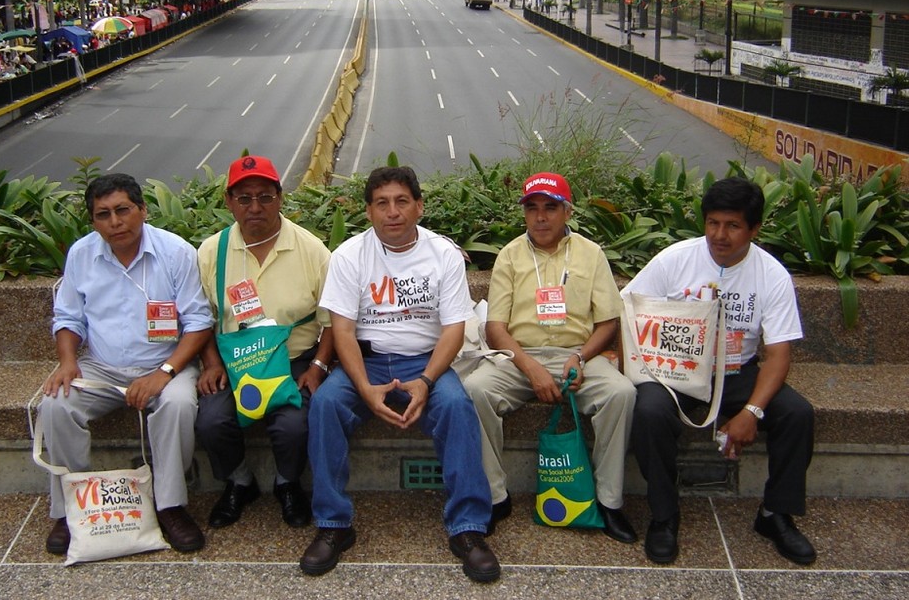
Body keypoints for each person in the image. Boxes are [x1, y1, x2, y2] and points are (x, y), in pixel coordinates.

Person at [300, 166, 500, 583]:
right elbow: (343, 331)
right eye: (382, 203)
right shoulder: (349, 255)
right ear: (369, 211)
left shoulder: (442, 254)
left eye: (402, 201)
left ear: (419, 206)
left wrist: (426, 382)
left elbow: (453, 329)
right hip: (365, 361)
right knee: (325, 404)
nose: (392, 212)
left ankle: (468, 528)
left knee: (458, 407)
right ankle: (334, 524)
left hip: (425, 361)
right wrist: (364, 389)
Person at [622, 176, 816, 566]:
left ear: (754, 228)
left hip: (738, 371)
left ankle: (775, 514)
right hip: (676, 369)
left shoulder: (771, 275)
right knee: (648, 410)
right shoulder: (675, 259)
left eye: (732, 225)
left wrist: (752, 412)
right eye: (713, 223)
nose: (719, 235)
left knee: (797, 414)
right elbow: (628, 306)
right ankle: (664, 514)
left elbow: (778, 355)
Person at [38, 173, 214, 555]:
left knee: (179, 404)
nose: (115, 222)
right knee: (54, 404)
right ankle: (73, 506)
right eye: (103, 215)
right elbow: (68, 318)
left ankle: (170, 506)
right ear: (93, 221)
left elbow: (198, 322)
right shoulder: (82, 254)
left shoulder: (175, 251)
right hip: (101, 366)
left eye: (122, 210)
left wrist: (163, 373)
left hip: (167, 363)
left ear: (142, 210)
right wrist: (67, 362)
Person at [463, 172, 638, 543]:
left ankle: (609, 502)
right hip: (519, 357)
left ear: (567, 211)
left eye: (550, 208)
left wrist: (580, 355)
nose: (541, 217)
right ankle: (495, 498)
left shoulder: (590, 254)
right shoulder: (510, 255)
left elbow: (608, 322)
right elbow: (496, 328)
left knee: (621, 394)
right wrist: (530, 366)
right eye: (532, 208)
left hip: (580, 355)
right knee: (476, 390)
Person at [195, 156, 333, 529]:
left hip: (294, 360)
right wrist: (211, 363)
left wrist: (319, 366)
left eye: (265, 197)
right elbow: (200, 318)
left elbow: (334, 319)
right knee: (210, 421)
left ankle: (287, 483)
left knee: (294, 426)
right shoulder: (212, 252)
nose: (255, 207)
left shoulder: (310, 249)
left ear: (280, 197)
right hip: (234, 362)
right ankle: (239, 481)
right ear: (228, 201)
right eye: (244, 198)